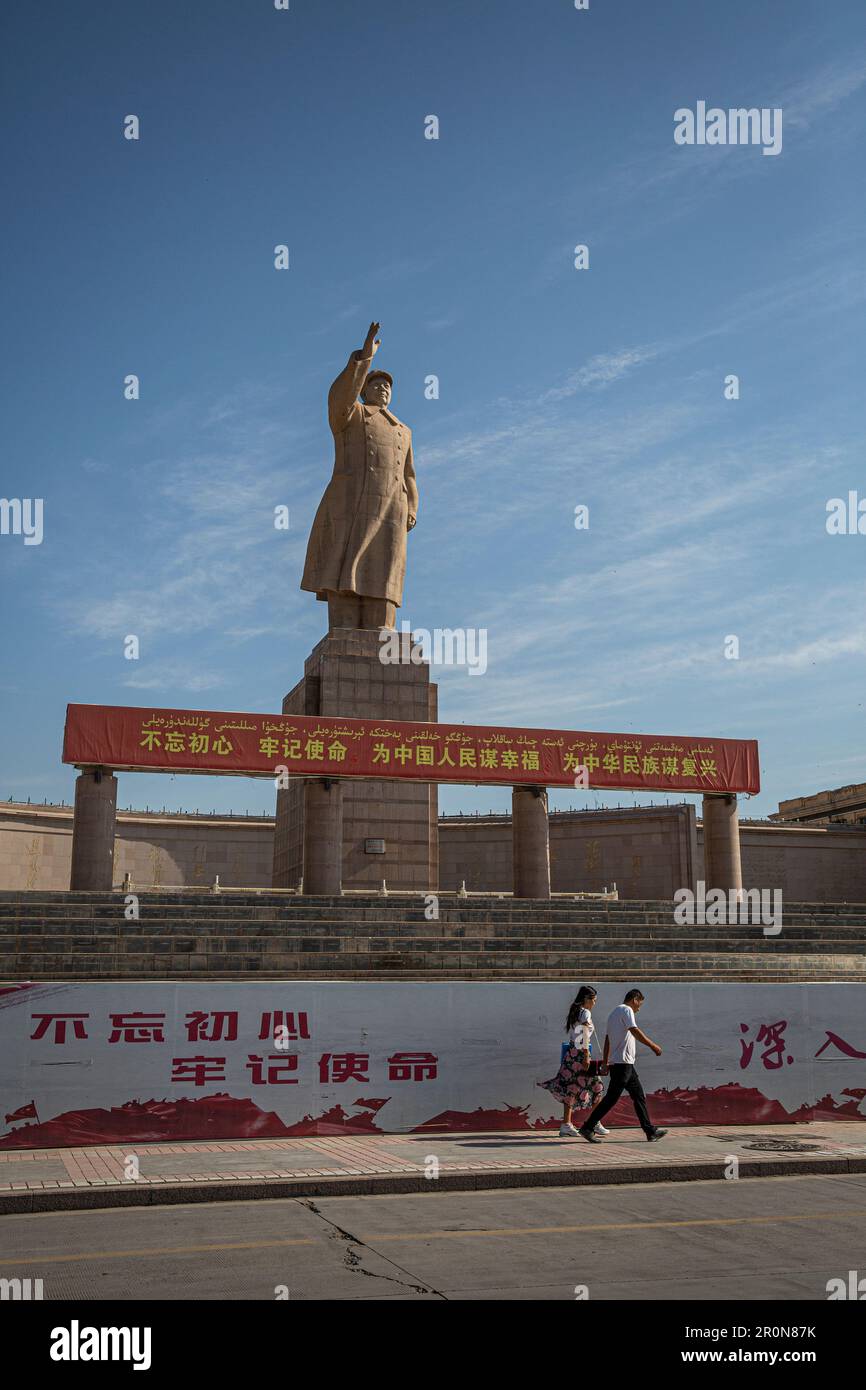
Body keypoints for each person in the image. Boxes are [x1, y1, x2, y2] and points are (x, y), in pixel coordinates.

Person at [300, 321, 418, 631]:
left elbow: (409, 475)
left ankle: (384, 627)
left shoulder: (403, 430)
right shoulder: (351, 416)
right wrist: (364, 358)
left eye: (387, 386)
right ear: (363, 390)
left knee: (386, 566)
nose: (383, 389)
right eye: (375, 384)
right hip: (351, 502)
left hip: (393, 507)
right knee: (346, 560)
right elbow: (340, 398)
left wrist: (413, 506)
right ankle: (345, 629)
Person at [579, 989, 668, 1144]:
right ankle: (587, 1127)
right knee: (611, 1098)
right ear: (635, 999)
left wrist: (606, 1062)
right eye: (640, 1003)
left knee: (638, 1095)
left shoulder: (614, 1013)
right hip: (623, 1063)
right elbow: (634, 1031)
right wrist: (653, 1046)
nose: (639, 1008)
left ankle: (650, 1131)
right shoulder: (627, 1010)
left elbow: (608, 1039)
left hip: (623, 1064)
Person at [538, 986, 610, 1138]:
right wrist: (586, 1055)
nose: (594, 1003)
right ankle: (594, 1122)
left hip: (572, 1053)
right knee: (598, 1087)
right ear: (586, 999)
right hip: (580, 1054)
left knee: (572, 1089)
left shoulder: (575, 1011)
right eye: (593, 1000)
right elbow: (583, 1034)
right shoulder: (585, 1012)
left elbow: (576, 1036)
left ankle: (566, 1124)